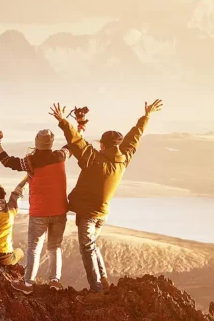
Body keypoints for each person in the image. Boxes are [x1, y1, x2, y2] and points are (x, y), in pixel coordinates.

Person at [50, 100, 164, 302]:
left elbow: (77, 143)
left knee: (87, 249)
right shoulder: (124, 158)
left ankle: (97, 290)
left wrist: (62, 121)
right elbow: (134, 138)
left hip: (89, 215)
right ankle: (103, 280)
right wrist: (146, 117)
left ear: (103, 144)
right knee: (92, 246)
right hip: (103, 214)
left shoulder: (95, 160)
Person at [0, 129, 72, 293]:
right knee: (54, 246)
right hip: (59, 210)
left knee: (34, 249)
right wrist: (78, 128)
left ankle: (28, 284)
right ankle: (54, 281)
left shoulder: (29, 162)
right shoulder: (60, 156)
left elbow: (6, 161)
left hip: (39, 212)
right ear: (51, 143)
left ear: (36, 143)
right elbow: (72, 145)